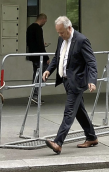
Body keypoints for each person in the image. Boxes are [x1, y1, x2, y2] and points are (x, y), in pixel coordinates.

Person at [43, 16, 98, 155]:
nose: (60, 35)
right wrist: (49, 70)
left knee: (69, 111)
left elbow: (91, 62)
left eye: (62, 32)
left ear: (69, 28)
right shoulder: (61, 38)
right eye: (58, 33)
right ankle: (91, 137)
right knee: (78, 110)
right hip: (66, 81)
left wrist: (92, 80)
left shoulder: (81, 40)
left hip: (77, 82)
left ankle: (58, 142)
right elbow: (57, 57)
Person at [26, 13, 49, 104]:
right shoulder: (38, 29)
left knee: (36, 74)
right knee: (44, 73)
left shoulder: (29, 28)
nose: (45, 23)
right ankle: (35, 94)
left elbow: (30, 42)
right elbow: (39, 43)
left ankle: (33, 94)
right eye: (45, 21)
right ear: (42, 19)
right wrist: (46, 56)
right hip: (39, 56)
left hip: (33, 55)